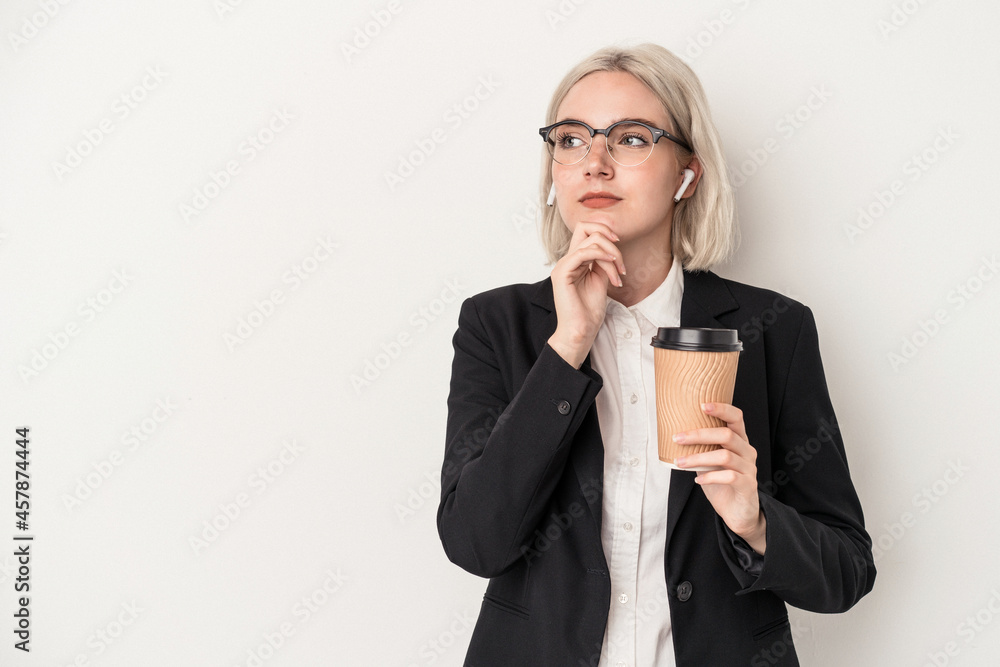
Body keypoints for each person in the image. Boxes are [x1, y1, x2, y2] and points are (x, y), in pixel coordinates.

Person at [436, 43, 875, 666]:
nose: (594, 162)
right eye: (570, 139)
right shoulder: (497, 324)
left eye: (631, 139)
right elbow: (475, 542)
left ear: (687, 175)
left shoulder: (774, 329)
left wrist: (756, 521)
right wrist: (568, 349)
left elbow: (846, 572)